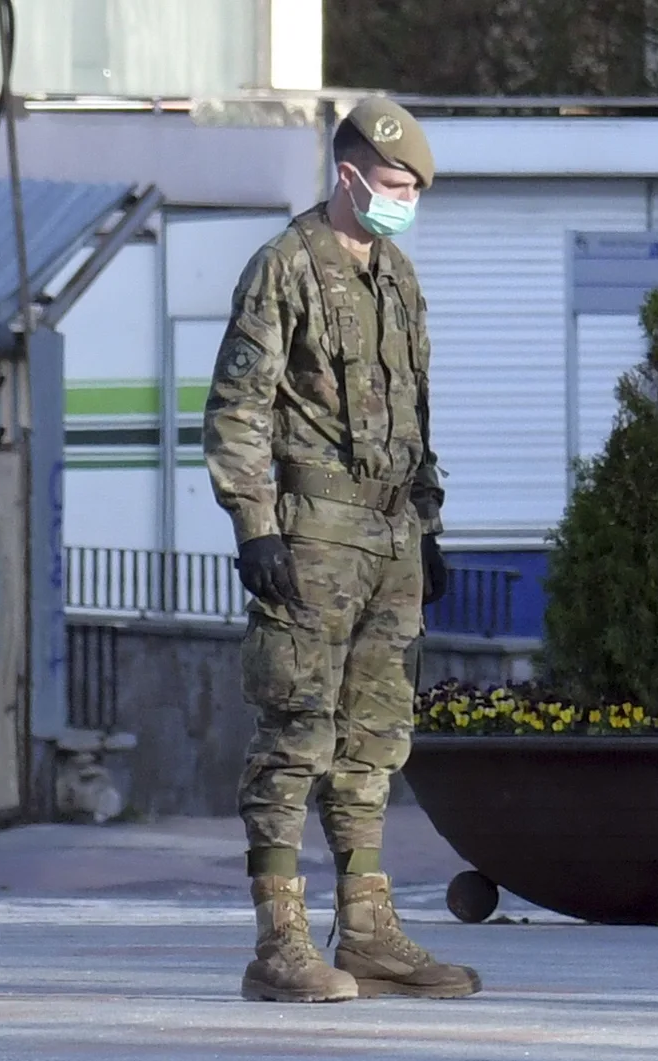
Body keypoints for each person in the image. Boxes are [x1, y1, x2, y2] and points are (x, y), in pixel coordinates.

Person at [202, 97, 478, 1004]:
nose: (405, 201)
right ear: (350, 174)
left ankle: (365, 930)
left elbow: (419, 412)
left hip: (391, 538)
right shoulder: (283, 268)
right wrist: (255, 528)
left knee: (373, 740)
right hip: (312, 536)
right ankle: (279, 939)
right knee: (295, 732)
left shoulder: (396, 273)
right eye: (395, 184)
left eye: (413, 190)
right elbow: (238, 411)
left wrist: (428, 524)